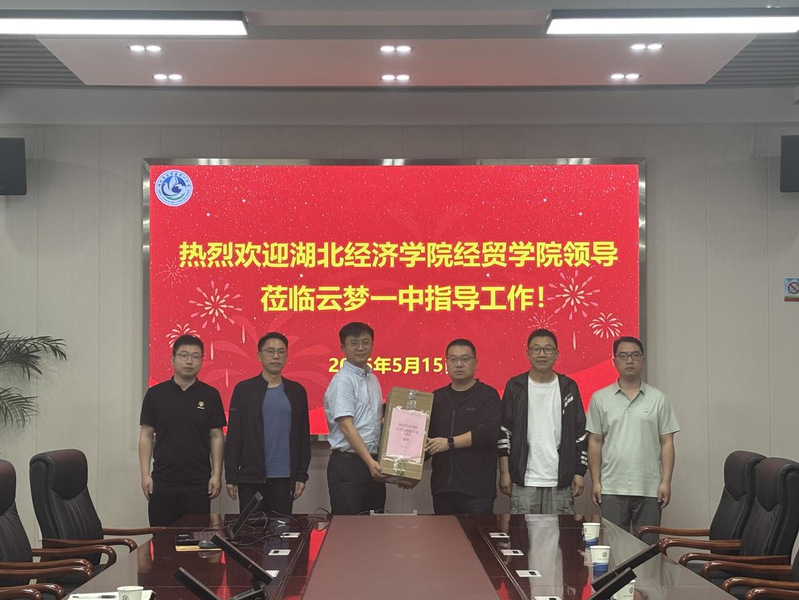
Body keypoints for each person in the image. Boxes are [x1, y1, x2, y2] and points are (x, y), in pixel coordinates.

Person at [586, 336, 680, 544]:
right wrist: (596, 481)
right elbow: (595, 442)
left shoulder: (658, 399)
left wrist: (666, 481)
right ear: (614, 361)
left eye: (635, 355)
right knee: (613, 549)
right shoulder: (600, 398)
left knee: (647, 551)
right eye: (623, 356)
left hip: (649, 488)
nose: (629, 360)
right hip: (612, 487)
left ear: (643, 360)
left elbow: (667, 442)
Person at [138, 334, 226, 526]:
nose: (189, 361)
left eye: (195, 356)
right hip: (163, 480)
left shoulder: (210, 395)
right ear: (173, 359)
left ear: (201, 360)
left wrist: (216, 474)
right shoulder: (155, 394)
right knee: (162, 539)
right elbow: (146, 435)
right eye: (184, 355)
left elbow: (217, 436)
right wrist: (145, 475)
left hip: (198, 482)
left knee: (196, 539)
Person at [498, 328, 587, 514]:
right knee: (522, 533)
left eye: (548, 349)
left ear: (557, 354)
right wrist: (505, 473)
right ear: (528, 353)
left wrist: (579, 472)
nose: (542, 354)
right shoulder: (515, 386)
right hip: (524, 481)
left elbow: (580, 433)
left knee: (562, 533)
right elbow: (504, 432)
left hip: (560, 482)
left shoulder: (568, 387)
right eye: (536, 349)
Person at [224, 332, 311, 516]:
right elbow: (234, 435)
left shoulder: (296, 391)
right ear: (259, 355)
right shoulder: (244, 390)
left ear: (286, 355)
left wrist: (301, 475)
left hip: (284, 478)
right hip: (250, 477)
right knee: (251, 530)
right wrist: (231, 476)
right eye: (270, 351)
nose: (276, 356)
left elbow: (303, 436)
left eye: (281, 352)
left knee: (282, 530)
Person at [425, 339, 501, 515]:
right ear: (446, 364)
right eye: (453, 359)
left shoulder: (488, 395)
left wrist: (449, 443)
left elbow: (488, 433)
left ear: (476, 363)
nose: (459, 364)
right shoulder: (436, 398)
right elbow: (428, 440)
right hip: (443, 489)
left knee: (476, 534)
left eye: (465, 359)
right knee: (444, 534)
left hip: (477, 492)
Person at [324, 322, 386, 515]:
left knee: (374, 524)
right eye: (354, 343)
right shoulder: (343, 380)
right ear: (343, 347)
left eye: (365, 342)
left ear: (372, 345)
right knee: (348, 526)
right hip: (349, 465)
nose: (360, 348)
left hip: (373, 463)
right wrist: (370, 462)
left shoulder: (372, 379)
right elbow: (346, 427)